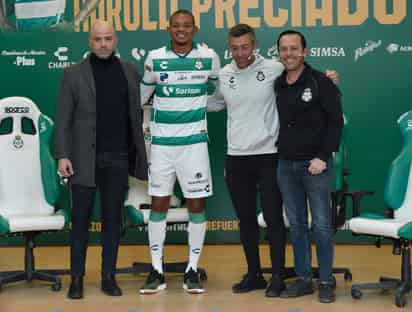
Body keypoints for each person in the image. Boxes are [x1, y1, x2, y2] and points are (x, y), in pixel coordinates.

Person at [208, 24, 340, 298]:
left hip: (270, 155)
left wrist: (330, 79)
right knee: (247, 221)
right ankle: (254, 274)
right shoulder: (224, 74)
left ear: (254, 45)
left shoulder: (275, 68)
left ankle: (280, 276)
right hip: (237, 158)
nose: (240, 52)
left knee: (279, 220)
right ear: (229, 48)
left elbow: (309, 79)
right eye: (235, 48)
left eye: (245, 46)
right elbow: (216, 103)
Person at [54, 20, 148, 299]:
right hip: (82, 159)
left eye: (108, 38)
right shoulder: (73, 74)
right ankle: (77, 279)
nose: (103, 43)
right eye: (98, 39)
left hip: (118, 158)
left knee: (112, 221)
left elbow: (136, 116)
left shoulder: (129, 71)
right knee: (80, 221)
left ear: (115, 40)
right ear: (90, 41)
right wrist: (63, 155)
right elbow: (62, 120)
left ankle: (109, 276)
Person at [139, 9, 220, 294]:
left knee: (196, 206)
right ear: (169, 29)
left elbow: (221, 94)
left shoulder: (210, 58)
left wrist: (202, 106)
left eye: (186, 26)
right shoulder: (154, 58)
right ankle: (156, 270)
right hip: (162, 146)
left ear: (195, 29)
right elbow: (142, 98)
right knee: (159, 205)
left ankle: (192, 269)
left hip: (195, 145)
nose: (181, 30)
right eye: (176, 26)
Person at [274, 30, 343, 303]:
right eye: (283, 49)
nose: (288, 53)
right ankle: (304, 279)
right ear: (279, 53)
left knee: (322, 226)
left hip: (315, 165)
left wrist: (323, 157)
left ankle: (325, 280)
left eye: (293, 48)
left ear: (304, 52)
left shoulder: (320, 82)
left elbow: (336, 121)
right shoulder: (278, 83)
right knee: (298, 225)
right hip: (285, 165)